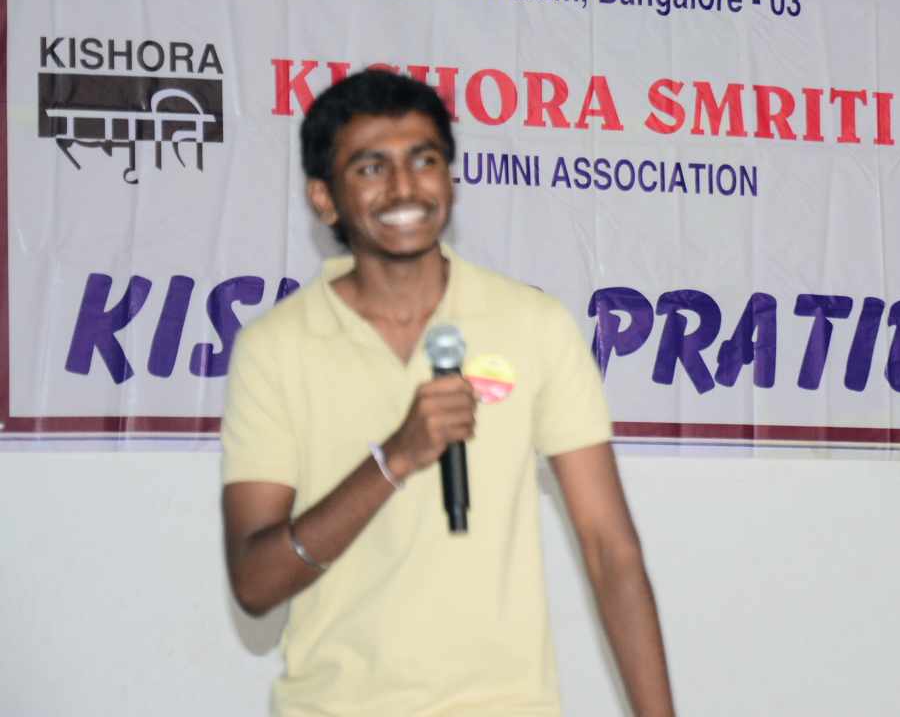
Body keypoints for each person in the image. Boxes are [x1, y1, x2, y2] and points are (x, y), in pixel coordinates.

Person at [219, 69, 674, 716]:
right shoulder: (276, 347)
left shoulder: (533, 324)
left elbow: (610, 550)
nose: (404, 187)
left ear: (451, 180)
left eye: (424, 160)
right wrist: (394, 459)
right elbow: (256, 583)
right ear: (324, 199)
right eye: (371, 168)